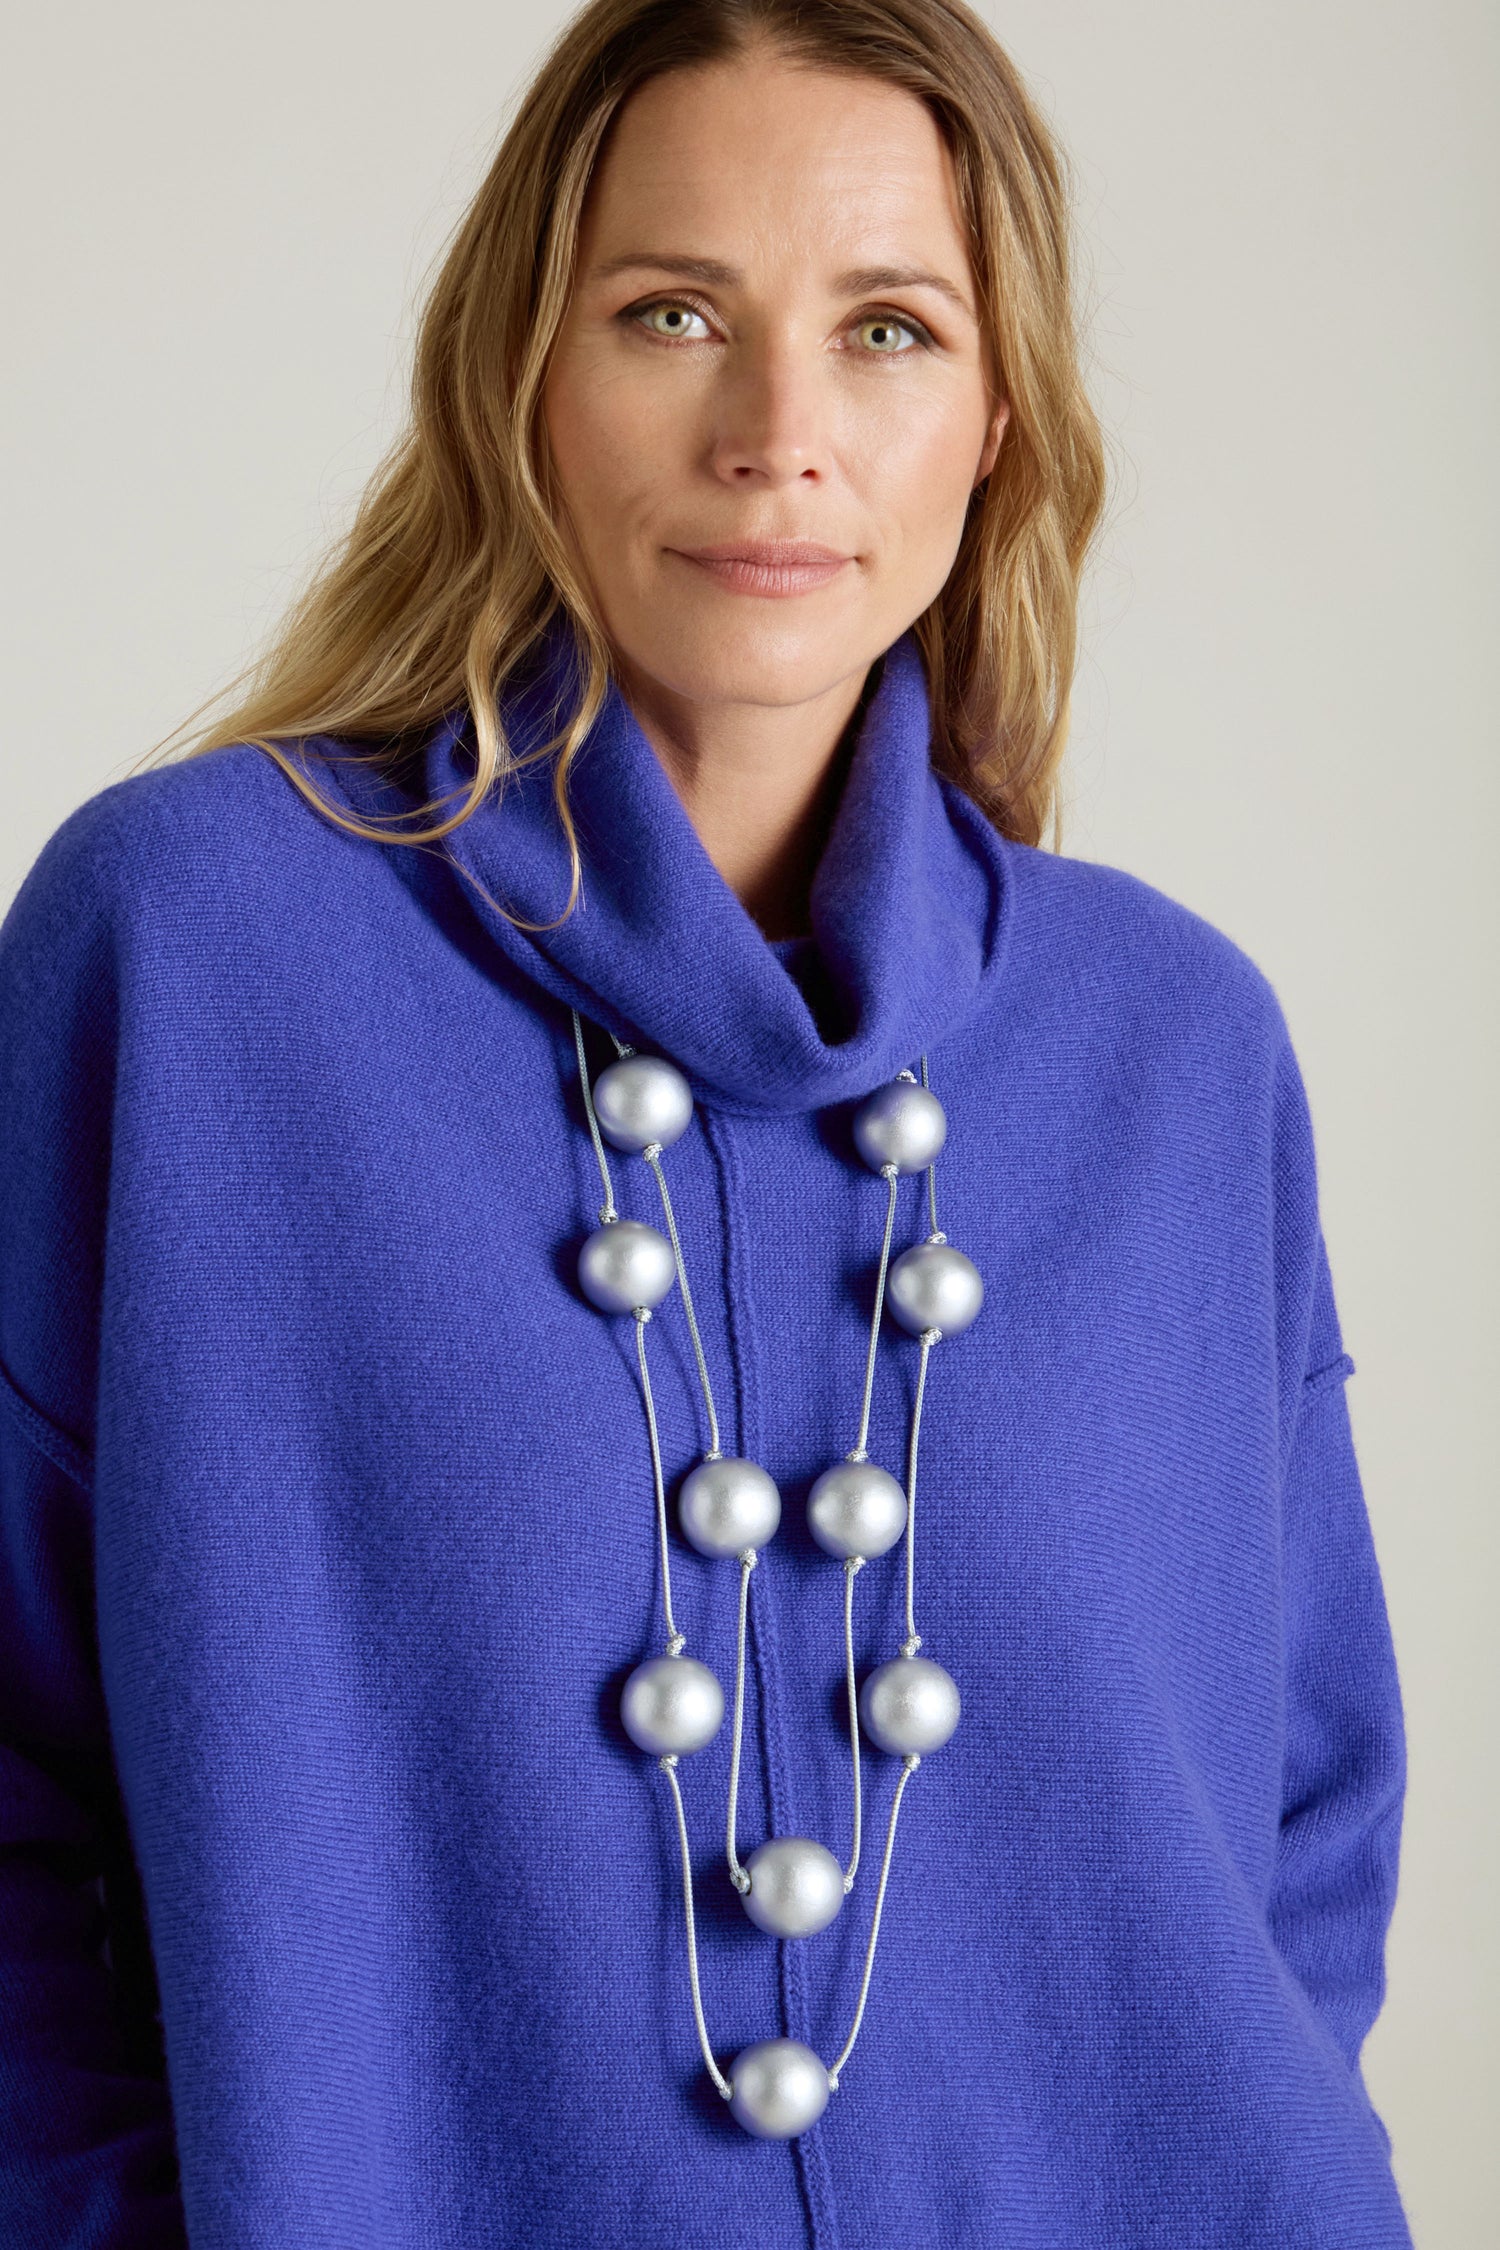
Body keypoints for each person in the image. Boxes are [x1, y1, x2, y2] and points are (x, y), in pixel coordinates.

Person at [0, 0, 1413, 2243]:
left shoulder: (1178, 1046)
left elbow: (1301, 1834)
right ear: (518, 374)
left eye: (885, 329)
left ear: (996, 419)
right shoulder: (184, 950)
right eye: (674, 312)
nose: (781, 434)